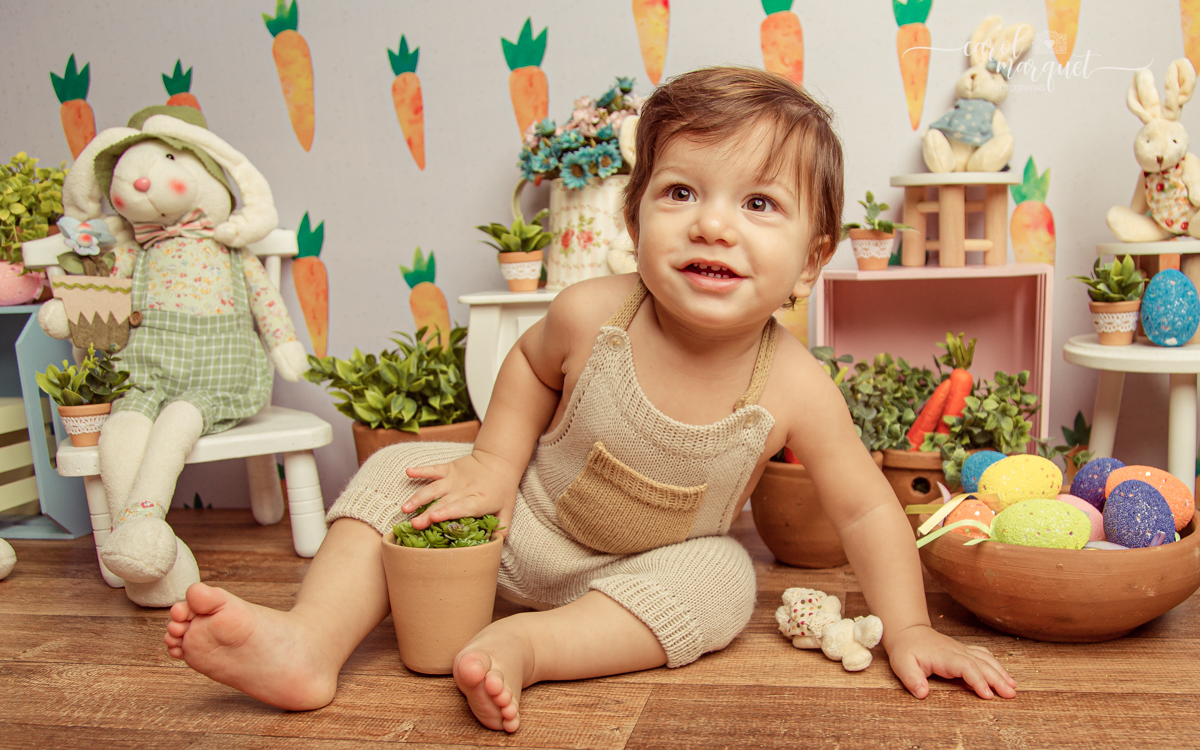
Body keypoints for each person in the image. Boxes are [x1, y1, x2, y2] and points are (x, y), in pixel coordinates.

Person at [164, 66, 1016, 732]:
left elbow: (865, 511)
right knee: (406, 469)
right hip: (518, 529)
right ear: (634, 217)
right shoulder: (592, 314)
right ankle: (310, 642)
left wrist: (909, 629)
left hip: (638, 585)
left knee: (727, 578)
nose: (712, 224)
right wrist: (493, 467)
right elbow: (530, 370)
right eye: (681, 192)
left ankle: (527, 647)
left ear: (810, 262)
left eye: (759, 203)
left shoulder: (795, 385)